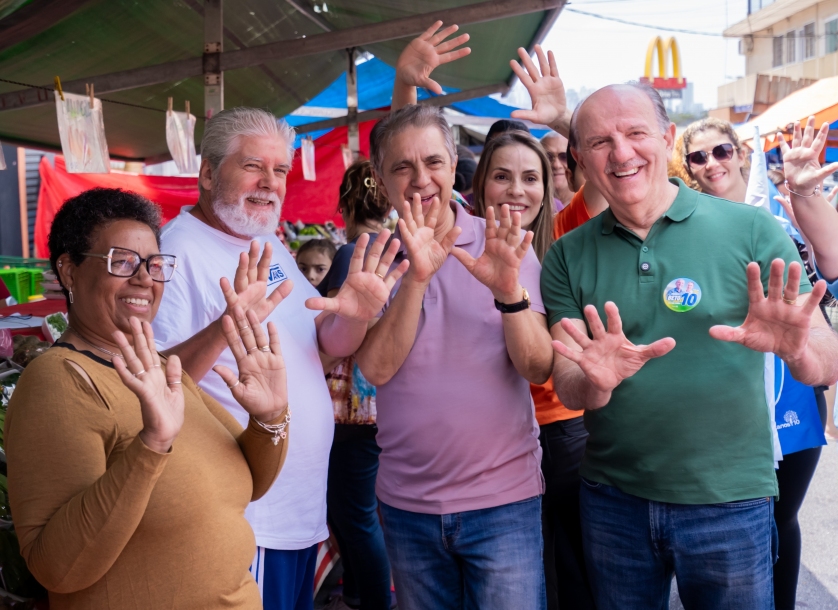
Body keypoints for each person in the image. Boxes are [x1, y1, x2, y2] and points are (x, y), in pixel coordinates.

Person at [511, 51, 838, 605]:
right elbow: (568, 383)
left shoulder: (751, 229)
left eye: (636, 133)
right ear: (580, 161)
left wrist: (798, 352)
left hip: (731, 500)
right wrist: (596, 381)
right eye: (599, 143)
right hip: (613, 501)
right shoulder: (566, 256)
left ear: (667, 139)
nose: (621, 153)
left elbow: (827, 358)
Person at [152, 107, 408, 610]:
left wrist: (354, 316)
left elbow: (319, 344)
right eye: (253, 167)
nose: (270, 183)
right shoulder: (178, 251)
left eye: (281, 170)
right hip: (246, 514)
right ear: (207, 173)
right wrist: (227, 324)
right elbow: (161, 381)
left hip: (295, 507)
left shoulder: (265, 240)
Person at [5, 188, 291, 609]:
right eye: (122, 261)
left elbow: (249, 483)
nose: (144, 278)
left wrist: (269, 418)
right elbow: (58, 569)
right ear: (69, 271)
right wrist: (151, 445)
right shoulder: (60, 380)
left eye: (154, 264)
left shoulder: (158, 366)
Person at [356, 92, 554, 606]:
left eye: (433, 162)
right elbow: (374, 369)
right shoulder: (376, 258)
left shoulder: (505, 243)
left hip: (504, 501)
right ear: (381, 178)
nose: (421, 178)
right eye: (403, 167)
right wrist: (416, 278)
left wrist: (509, 291)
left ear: (454, 167)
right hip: (407, 506)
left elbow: (536, 366)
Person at [683, 116, 832, 610]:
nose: (712, 164)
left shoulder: (786, 211)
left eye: (721, 151)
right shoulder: (685, 225)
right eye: (698, 157)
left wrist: (806, 193)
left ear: (742, 153)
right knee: (732, 525)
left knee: (780, 518)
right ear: (688, 170)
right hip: (721, 396)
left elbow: (832, 264)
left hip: (790, 391)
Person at [471, 129, 594, 609]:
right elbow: (411, 167)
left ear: (549, 185)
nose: (516, 190)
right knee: (521, 576)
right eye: (502, 176)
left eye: (531, 176)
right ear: (481, 184)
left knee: (575, 568)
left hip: (560, 430)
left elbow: (609, 180)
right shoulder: (457, 244)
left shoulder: (561, 236)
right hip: (490, 444)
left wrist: (566, 121)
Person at [319, 160, 393, 610]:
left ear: (346, 204)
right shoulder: (393, 245)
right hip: (375, 403)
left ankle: (372, 600)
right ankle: (358, 594)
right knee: (358, 511)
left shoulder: (351, 252)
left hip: (350, 408)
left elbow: (319, 314)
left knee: (354, 513)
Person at [541, 131, 573, 209]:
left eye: (564, 157)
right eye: (548, 157)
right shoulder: (531, 204)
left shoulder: (591, 200)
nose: (556, 165)